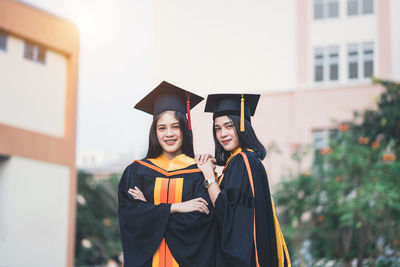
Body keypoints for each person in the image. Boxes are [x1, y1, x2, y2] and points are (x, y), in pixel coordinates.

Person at [118, 81, 216, 267]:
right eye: (162, 128)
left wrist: (149, 209)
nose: (169, 134)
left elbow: (202, 223)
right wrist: (176, 207)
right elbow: (129, 217)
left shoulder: (199, 171)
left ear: (184, 129)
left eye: (175, 126)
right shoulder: (137, 171)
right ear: (154, 132)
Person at [195, 94, 291, 267]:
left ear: (242, 127)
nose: (222, 134)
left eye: (229, 126)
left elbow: (226, 213)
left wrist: (208, 175)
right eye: (217, 128)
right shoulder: (247, 161)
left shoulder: (242, 161)